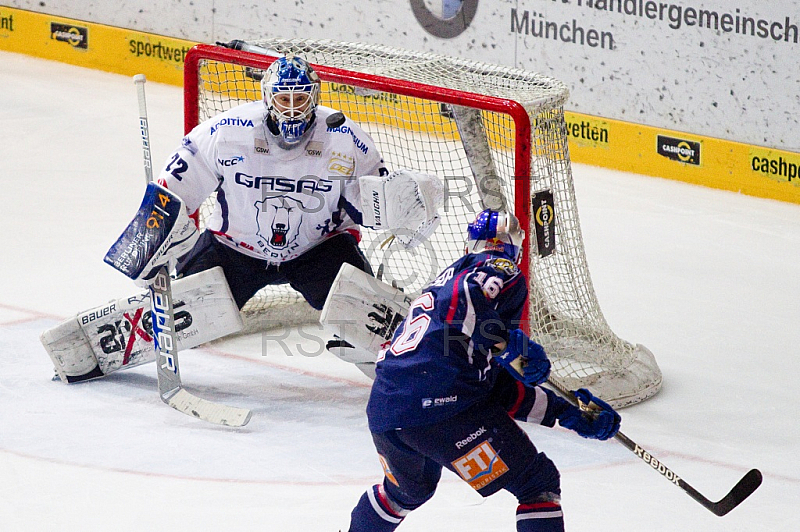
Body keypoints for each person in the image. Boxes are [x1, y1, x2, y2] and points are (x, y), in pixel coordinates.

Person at [347, 209, 621, 532]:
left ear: (468, 245)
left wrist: (566, 411)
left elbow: (492, 386)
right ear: (515, 250)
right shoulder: (500, 268)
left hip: (386, 411)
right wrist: (506, 344)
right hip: (439, 408)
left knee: (406, 492)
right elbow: (462, 299)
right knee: (537, 483)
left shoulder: (441, 285)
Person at [156, 54, 440, 312]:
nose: (292, 110)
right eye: (284, 100)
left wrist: (399, 204)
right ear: (268, 98)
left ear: (314, 98)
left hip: (317, 251)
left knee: (364, 318)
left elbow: (369, 208)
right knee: (187, 317)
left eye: (300, 99)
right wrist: (153, 246)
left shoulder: (344, 138)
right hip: (235, 249)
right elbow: (171, 192)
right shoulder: (227, 132)